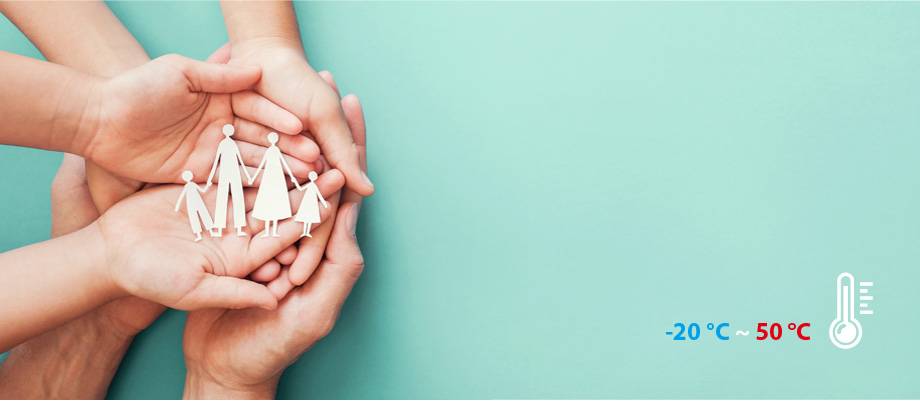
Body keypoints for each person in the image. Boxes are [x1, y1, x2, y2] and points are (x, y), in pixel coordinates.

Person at [250, 132, 302, 237]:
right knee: (267, 201)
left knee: (276, 201)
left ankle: (273, 231)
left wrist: (291, 176)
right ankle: (267, 231)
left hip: (277, 176)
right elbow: (262, 164)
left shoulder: (277, 150)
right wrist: (254, 177)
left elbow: (284, 163)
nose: (273, 139)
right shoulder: (269, 151)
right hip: (269, 176)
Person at [206, 124, 253, 237]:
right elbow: (217, 159)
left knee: (237, 198)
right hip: (225, 173)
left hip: (234, 172)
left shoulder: (233, 144)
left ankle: (239, 228)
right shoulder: (223, 144)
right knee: (223, 198)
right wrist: (210, 177)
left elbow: (240, 160)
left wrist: (247, 175)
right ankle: (220, 228)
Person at [176, 170, 217, 241]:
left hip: (198, 201)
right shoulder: (187, 186)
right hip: (191, 204)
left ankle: (211, 231)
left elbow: (203, 190)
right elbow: (182, 196)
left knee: (204, 215)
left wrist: (208, 185)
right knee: (194, 218)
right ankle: (199, 235)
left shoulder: (193, 184)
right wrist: (177, 205)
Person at [294, 171, 330, 237]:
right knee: (306, 216)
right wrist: (295, 182)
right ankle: (304, 232)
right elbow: (300, 188)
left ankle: (307, 232)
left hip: (312, 202)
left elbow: (319, 194)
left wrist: (323, 202)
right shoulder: (309, 184)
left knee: (310, 217)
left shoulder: (314, 186)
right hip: (307, 201)